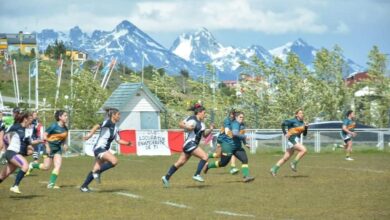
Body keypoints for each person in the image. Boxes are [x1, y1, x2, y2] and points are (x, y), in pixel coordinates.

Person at [161, 103, 214, 187]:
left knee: (180, 163)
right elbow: (181, 123)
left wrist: (210, 130)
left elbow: (204, 135)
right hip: (190, 143)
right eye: (204, 113)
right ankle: (197, 174)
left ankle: (166, 177)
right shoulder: (192, 119)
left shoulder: (202, 124)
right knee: (205, 157)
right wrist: (188, 127)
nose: (205, 115)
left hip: (191, 145)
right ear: (199, 112)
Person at [80, 107, 132, 192]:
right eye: (118, 114)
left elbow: (118, 140)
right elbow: (97, 125)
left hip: (102, 149)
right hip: (99, 148)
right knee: (114, 161)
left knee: (95, 169)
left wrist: (128, 143)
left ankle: (84, 186)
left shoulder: (115, 128)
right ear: (113, 115)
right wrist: (89, 135)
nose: (119, 116)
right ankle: (97, 173)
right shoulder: (108, 122)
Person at [205, 111, 255, 182]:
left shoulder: (242, 125)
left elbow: (241, 135)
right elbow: (234, 133)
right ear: (236, 117)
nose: (242, 119)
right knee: (223, 163)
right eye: (240, 117)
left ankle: (246, 176)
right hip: (228, 146)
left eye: (243, 117)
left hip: (237, 147)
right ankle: (208, 166)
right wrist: (245, 136)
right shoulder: (235, 124)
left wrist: (245, 143)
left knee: (245, 160)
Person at [0, 111, 43, 194]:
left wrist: (39, 141)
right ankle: (15, 186)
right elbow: (5, 134)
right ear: (25, 119)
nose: (32, 120)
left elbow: (29, 142)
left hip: (17, 154)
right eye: (30, 118)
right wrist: (6, 143)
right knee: (25, 165)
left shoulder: (27, 130)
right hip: (12, 152)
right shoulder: (16, 126)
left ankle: (14, 186)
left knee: (3, 176)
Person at [28, 110, 69, 189]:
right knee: (46, 167)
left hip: (57, 149)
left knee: (58, 166)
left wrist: (65, 144)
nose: (67, 117)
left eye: (67, 116)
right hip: (48, 148)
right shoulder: (53, 126)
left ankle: (51, 184)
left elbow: (64, 139)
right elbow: (44, 136)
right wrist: (47, 146)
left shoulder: (65, 128)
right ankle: (33, 165)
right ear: (60, 117)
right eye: (65, 115)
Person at [270, 109, 308, 176]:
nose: (302, 114)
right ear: (296, 115)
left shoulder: (302, 123)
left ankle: (274, 169)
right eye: (300, 113)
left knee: (285, 158)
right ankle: (294, 163)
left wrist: (306, 127)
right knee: (304, 150)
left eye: (302, 113)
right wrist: (285, 133)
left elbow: (304, 134)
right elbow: (282, 124)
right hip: (292, 140)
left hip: (296, 140)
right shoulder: (292, 121)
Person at [208, 109, 239, 174]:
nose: (233, 115)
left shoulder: (235, 121)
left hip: (228, 141)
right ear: (230, 114)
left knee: (233, 151)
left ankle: (233, 167)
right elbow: (227, 131)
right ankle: (206, 157)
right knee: (217, 155)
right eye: (232, 114)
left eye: (234, 114)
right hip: (222, 140)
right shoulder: (227, 120)